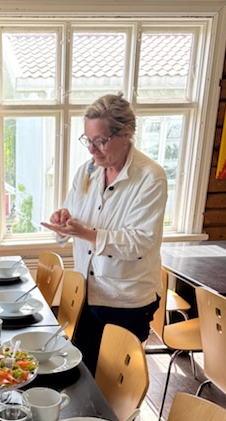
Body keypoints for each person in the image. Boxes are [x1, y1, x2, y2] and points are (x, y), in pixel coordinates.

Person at [42, 93, 167, 375]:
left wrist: (87, 233)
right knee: (83, 371)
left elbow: (140, 242)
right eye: (87, 140)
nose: (92, 150)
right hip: (87, 291)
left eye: (100, 141)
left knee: (114, 381)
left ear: (127, 133)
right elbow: (75, 215)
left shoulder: (150, 177)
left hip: (125, 299)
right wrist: (63, 219)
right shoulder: (88, 171)